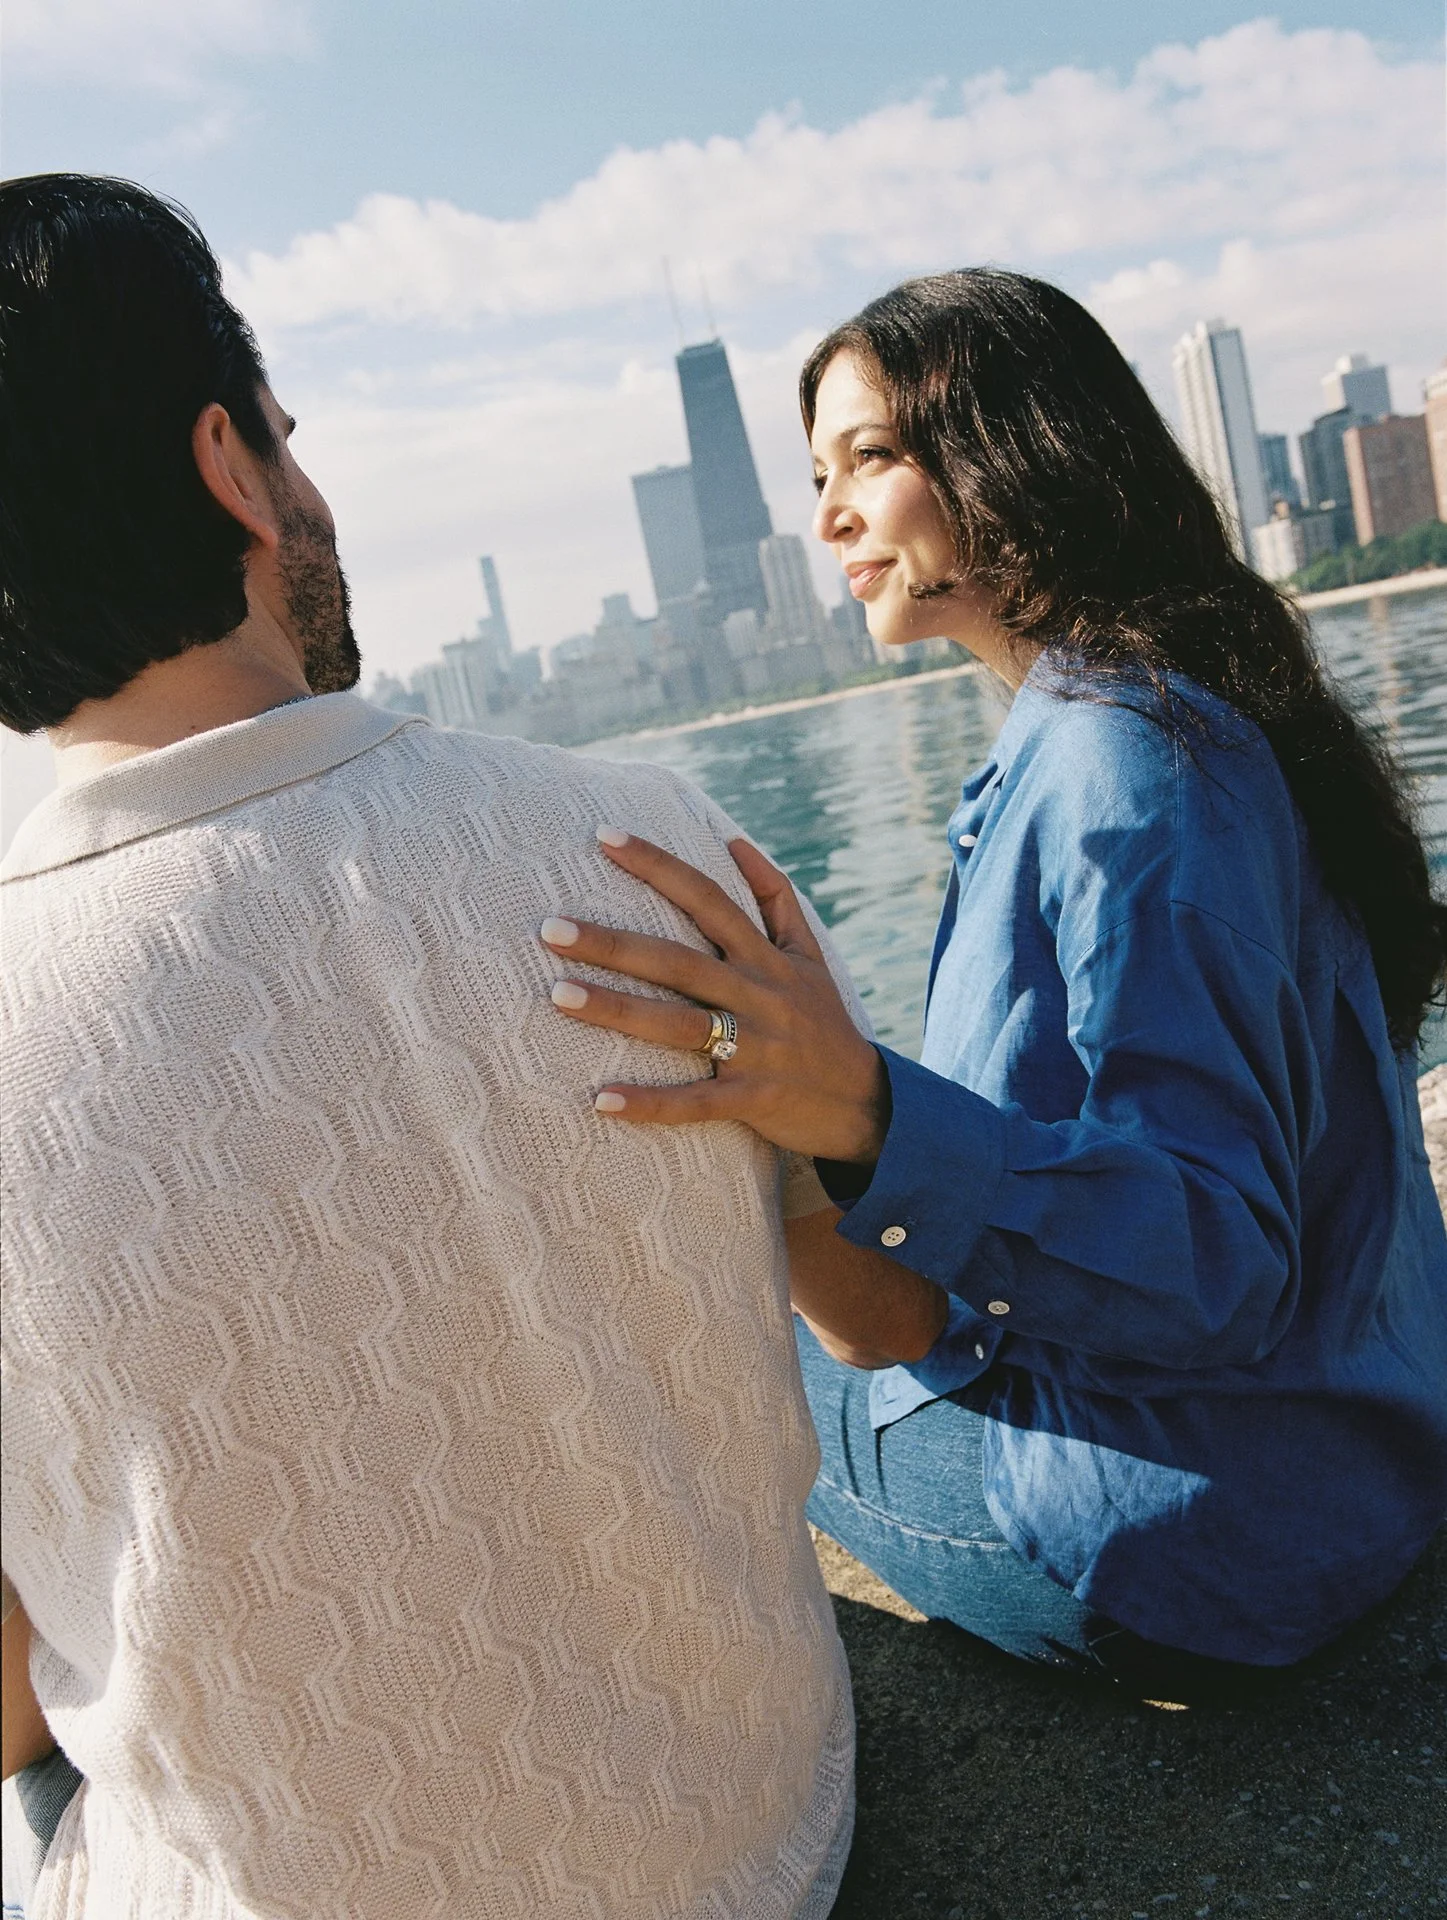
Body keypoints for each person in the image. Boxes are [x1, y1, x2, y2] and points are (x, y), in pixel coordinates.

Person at [0, 173, 883, 1919]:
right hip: (762, 1852)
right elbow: (887, 1313)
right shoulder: (658, 842)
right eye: (289, 438)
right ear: (229, 469)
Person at [540, 270, 1447, 1698]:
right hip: (1357, 1460)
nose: (829, 515)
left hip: (1188, 1546)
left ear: (1014, 457)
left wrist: (859, 1116)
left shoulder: (1110, 762)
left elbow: (1218, 1262)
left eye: (874, 459)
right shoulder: (1175, 713)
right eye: (818, 474)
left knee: (694, 1379)